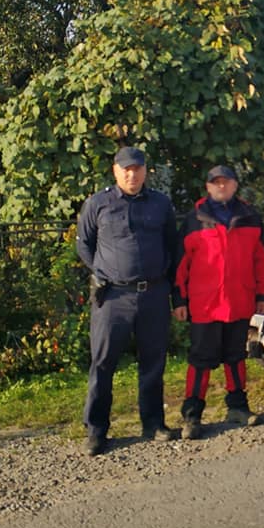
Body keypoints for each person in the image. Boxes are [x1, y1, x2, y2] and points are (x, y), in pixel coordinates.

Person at [76, 146, 180, 456]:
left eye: (137, 168)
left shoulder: (161, 204)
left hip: (153, 295)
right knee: (103, 363)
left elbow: (173, 247)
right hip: (113, 298)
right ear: (115, 170)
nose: (131, 174)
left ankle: (153, 424)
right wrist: (102, 271)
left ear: (146, 170)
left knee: (153, 362)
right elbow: (84, 244)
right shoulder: (99, 203)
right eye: (126, 169)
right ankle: (96, 431)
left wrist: (172, 292)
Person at [173, 165, 264, 439]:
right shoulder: (195, 220)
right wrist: (179, 299)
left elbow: (262, 260)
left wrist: (262, 295)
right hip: (205, 304)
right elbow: (180, 264)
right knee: (200, 359)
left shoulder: (250, 217)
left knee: (235, 356)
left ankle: (238, 408)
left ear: (235, 185)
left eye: (226, 182)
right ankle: (192, 416)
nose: (221, 187)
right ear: (208, 187)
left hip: (240, 301)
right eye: (215, 183)